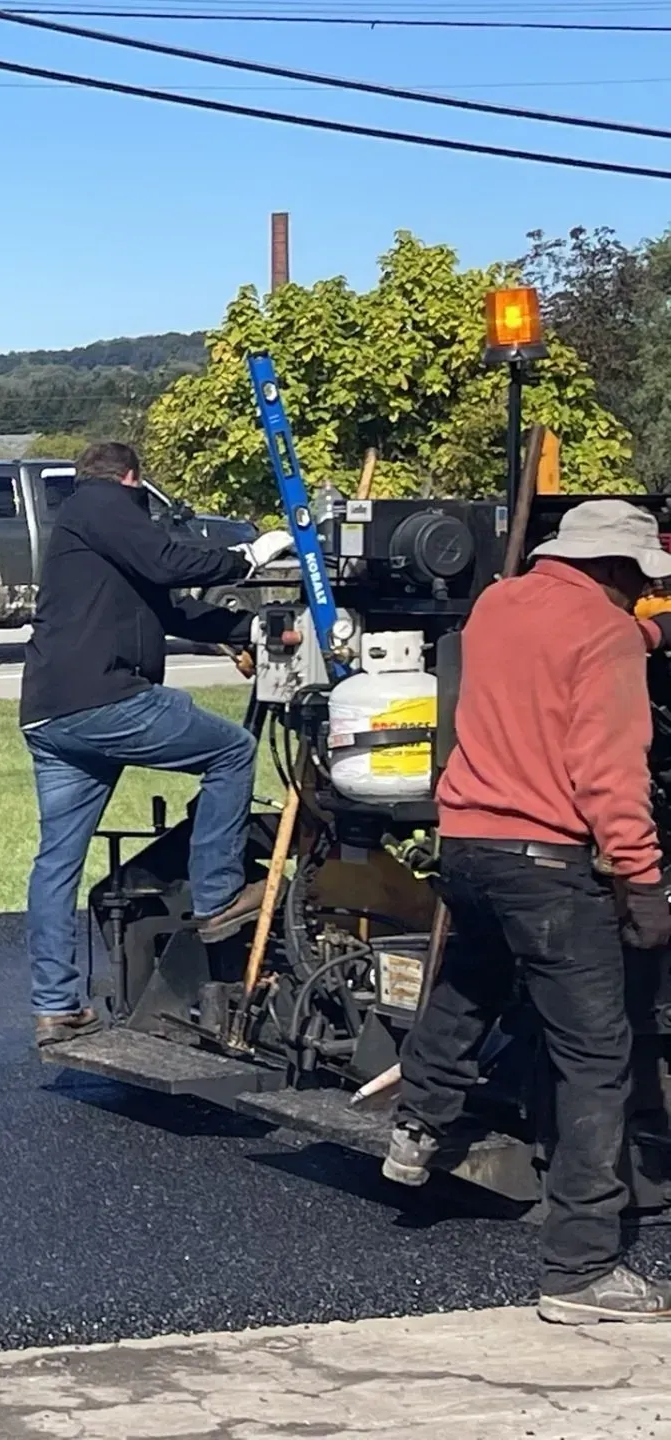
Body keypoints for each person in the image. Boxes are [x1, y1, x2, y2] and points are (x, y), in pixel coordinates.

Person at [386, 499, 671, 1326]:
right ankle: (581, 1272)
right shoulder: (607, 634)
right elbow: (611, 776)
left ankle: (417, 1129)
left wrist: (651, 639)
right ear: (620, 572)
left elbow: (560, 652)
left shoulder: (499, 603)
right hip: (550, 866)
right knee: (595, 1055)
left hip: (469, 847)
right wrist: (644, 884)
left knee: (467, 984)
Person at [23, 441, 294, 1047]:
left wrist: (243, 626)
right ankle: (220, 897)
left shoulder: (83, 528)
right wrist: (244, 558)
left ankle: (55, 1006)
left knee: (56, 863)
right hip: (105, 700)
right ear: (130, 478)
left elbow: (165, 608)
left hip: (49, 712)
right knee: (231, 752)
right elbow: (169, 561)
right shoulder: (104, 503)